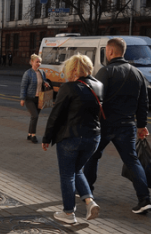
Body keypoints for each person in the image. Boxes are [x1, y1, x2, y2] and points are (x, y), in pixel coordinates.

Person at [84, 37, 151, 214]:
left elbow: (94, 99)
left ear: (111, 52)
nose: (106, 54)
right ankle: (144, 199)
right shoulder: (137, 73)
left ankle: (86, 191)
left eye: (107, 51)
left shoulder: (105, 72)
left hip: (105, 124)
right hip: (127, 125)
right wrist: (142, 125)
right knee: (132, 160)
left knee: (92, 156)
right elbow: (143, 102)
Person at [41, 54, 104, 224]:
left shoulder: (69, 87)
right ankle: (90, 202)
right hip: (93, 138)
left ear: (74, 69)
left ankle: (68, 214)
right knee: (77, 170)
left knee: (67, 174)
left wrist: (47, 138)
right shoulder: (99, 86)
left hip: (71, 137)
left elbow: (56, 114)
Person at [20, 54, 52, 144]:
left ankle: (29, 134)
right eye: (37, 62)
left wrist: (46, 84)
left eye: (40, 62)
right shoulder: (28, 73)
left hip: (39, 98)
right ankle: (33, 135)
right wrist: (22, 99)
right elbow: (23, 86)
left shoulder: (42, 72)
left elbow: (43, 82)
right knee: (35, 116)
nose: (39, 63)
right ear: (32, 62)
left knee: (34, 117)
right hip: (30, 98)